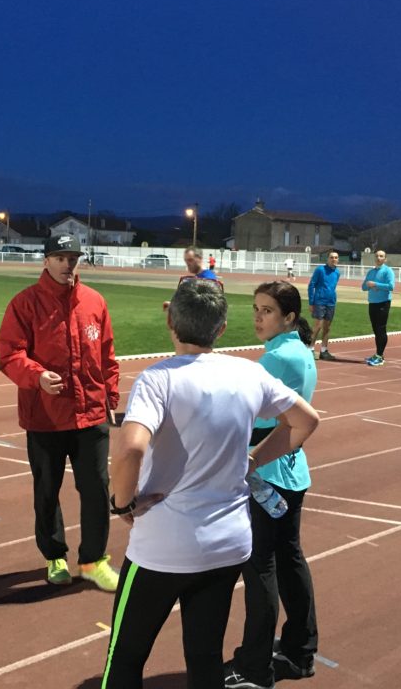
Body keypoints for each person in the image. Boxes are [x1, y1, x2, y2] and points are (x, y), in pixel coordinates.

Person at [102, 279, 319, 688]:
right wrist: (254, 459)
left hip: (163, 546)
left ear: (170, 320)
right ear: (221, 328)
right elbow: (307, 421)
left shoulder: (158, 379)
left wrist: (123, 504)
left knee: (126, 657)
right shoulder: (247, 372)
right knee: (204, 659)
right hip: (227, 544)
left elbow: (130, 450)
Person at [0, 233, 121, 591]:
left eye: (73, 257)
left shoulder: (94, 302)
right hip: (45, 417)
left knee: (97, 489)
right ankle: (55, 555)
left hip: (91, 414)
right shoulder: (25, 304)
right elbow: (10, 354)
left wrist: (110, 398)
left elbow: (107, 355)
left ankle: (94, 560)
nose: (69, 264)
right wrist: (37, 377)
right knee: (47, 490)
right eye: (61, 257)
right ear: (46, 260)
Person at [224, 281, 319, 688]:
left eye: (266, 311)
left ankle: (254, 667)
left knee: (261, 566)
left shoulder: (274, 359)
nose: (258, 318)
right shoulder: (298, 351)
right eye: (256, 309)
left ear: (289, 317)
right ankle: (299, 651)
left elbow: (245, 417)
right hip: (290, 471)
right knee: (289, 560)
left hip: (266, 474)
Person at [362, 249, 395, 366]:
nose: (378, 258)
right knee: (375, 330)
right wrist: (369, 285)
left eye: (381, 256)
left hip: (383, 303)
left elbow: (391, 286)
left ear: (385, 259)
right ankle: (378, 354)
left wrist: (375, 284)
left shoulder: (388, 271)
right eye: (377, 256)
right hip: (372, 303)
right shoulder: (371, 272)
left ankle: (380, 356)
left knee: (381, 329)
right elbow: (363, 287)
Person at [307, 251, 340, 361]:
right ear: (328, 259)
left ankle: (324, 350)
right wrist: (311, 302)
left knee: (327, 327)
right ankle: (309, 349)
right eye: (331, 257)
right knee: (318, 326)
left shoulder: (337, 272)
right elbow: (311, 285)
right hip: (319, 301)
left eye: (335, 257)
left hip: (331, 302)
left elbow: (332, 287)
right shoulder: (320, 270)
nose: (333, 259)